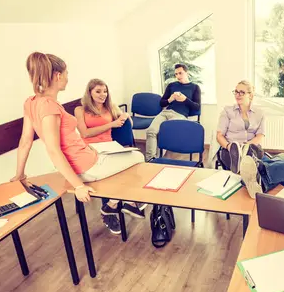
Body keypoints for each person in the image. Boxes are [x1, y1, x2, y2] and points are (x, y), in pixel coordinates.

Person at [12, 52, 144, 236]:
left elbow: (25, 140)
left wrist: (19, 174)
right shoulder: (50, 106)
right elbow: (53, 149)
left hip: (86, 157)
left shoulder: (31, 102)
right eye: (66, 74)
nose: (67, 78)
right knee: (138, 156)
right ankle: (117, 203)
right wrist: (78, 186)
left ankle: (119, 202)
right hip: (85, 167)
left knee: (119, 156)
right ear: (58, 76)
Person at [74, 78, 147, 232]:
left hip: (110, 146)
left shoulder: (110, 107)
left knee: (135, 163)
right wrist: (111, 124)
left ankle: (112, 205)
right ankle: (125, 204)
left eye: (105, 91)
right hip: (90, 148)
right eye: (98, 91)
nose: (103, 95)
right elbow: (85, 133)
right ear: (89, 92)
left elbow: (129, 124)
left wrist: (124, 116)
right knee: (111, 175)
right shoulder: (80, 110)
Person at [145, 63, 201, 161]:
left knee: (170, 135)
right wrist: (170, 100)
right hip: (166, 113)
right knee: (151, 131)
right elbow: (162, 103)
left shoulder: (195, 87)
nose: (178, 76)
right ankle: (150, 160)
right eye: (176, 74)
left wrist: (185, 99)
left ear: (186, 73)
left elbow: (197, 107)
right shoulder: (171, 86)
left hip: (180, 115)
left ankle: (164, 159)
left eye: (180, 73)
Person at [216, 80, 265, 174]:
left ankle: (245, 167)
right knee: (243, 166)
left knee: (252, 155)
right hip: (231, 148)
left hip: (250, 148)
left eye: (242, 92)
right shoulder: (227, 111)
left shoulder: (260, 113)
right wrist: (229, 146)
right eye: (236, 92)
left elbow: (260, 136)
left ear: (250, 95)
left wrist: (244, 148)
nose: (238, 95)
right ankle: (241, 167)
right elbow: (219, 135)